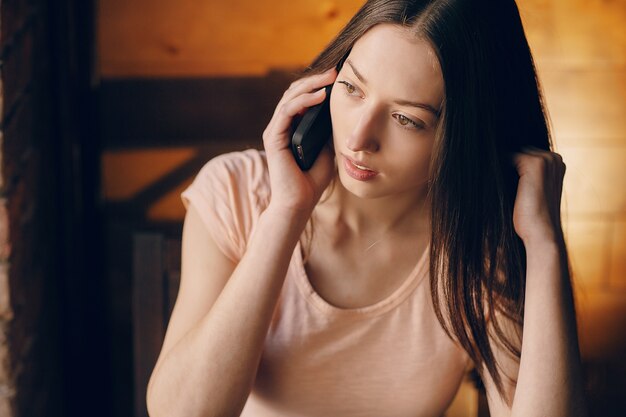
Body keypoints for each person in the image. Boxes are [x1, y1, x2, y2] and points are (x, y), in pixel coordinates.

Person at [146, 0, 588, 416]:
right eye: (352, 88)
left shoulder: (476, 249)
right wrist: (285, 213)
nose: (358, 138)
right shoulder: (236, 193)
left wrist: (544, 245)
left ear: (464, 137)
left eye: (406, 119)